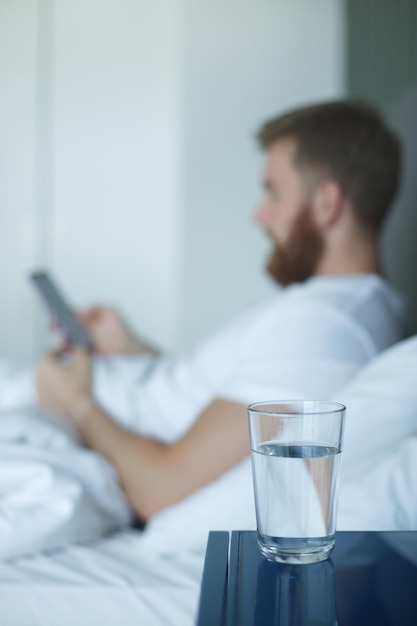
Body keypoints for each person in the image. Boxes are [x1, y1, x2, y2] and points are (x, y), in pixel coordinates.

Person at [35, 99, 406, 523]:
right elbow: (213, 396)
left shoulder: (325, 328)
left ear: (326, 203)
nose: (259, 215)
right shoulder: (344, 309)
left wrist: (77, 403)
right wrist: (134, 351)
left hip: (63, 414)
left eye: (273, 191)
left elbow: (158, 489)